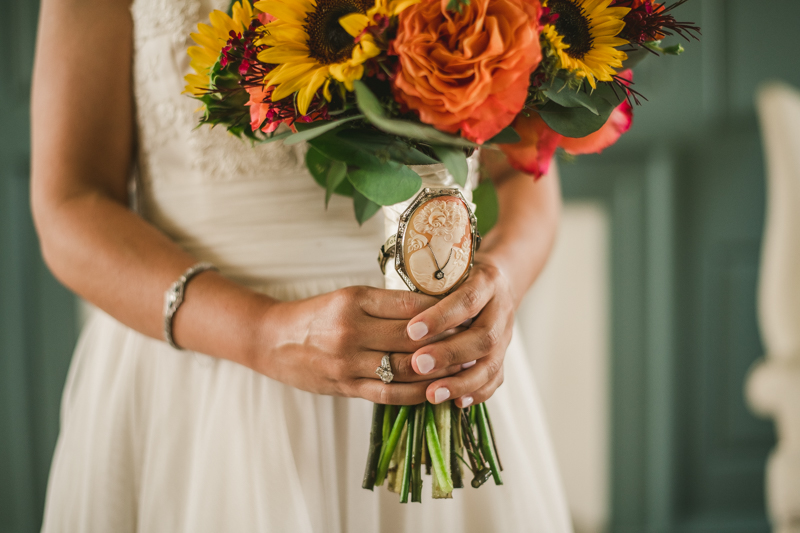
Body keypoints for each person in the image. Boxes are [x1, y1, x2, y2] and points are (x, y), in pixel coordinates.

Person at [30, 0, 573, 530]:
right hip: (203, 376)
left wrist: (501, 283)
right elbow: (70, 204)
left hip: (441, 359)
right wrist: (261, 333)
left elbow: (520, 172)